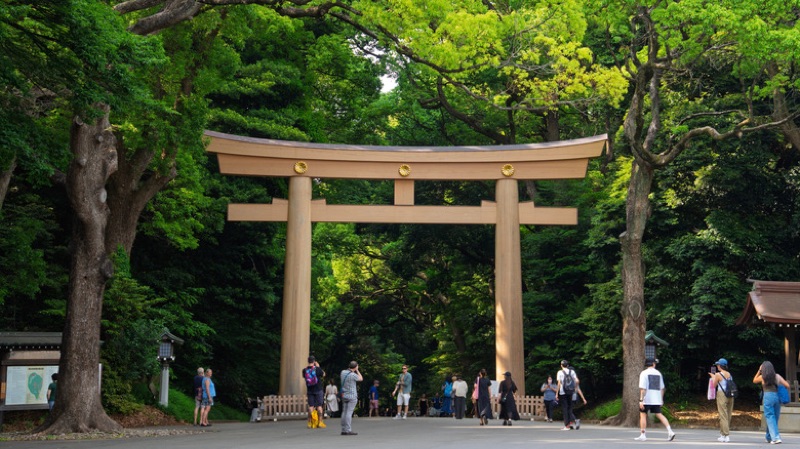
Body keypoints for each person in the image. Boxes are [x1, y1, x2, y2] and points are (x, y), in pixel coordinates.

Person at [634, 358, 675, 442]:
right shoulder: (658, 373)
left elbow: (643, 388)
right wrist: (661, 400)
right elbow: (662, 388)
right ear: (653, 364)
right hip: (656, 399)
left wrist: (641, 400)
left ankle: (643, 435)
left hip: (647, 399)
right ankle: (670, 431)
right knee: (659, 414)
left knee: (643, 415)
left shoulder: (644, 373)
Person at [753, 360, 790, 444]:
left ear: (763, 369)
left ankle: (775, 438)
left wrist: (759, 371)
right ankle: (769, 436)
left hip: (767, 397)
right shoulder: (777, 376)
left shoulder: (762, 377)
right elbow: (787, 385)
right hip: (777, 397)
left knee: (770, 417)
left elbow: (754, 380)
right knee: (774, 417)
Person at [710, 358, 734, 442]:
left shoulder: (717, 374)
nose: (717, 366)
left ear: (720, 366)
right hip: (730, 395)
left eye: (717, 365)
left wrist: (713, 376)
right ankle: (722, 434)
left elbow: (714, 385)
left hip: (722, 394)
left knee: (722, 415)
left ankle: (726, 435)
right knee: (728, 414)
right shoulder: (729, 374)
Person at [303, 356, 326, 429]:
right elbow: (324, 375)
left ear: (308, 361)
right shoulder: (317, 369)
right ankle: (320, 422)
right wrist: (318, 367)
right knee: (319, 406)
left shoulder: (304, 370)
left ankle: (310, 423)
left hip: (310, 390)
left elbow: (305, 378)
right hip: (318, 389)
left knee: (311, 406)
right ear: (314, 361)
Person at [340, 360, 363, 435]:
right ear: (355, 367)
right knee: (349, 413)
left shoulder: (343, 372)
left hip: (344, 395)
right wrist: (357, 370)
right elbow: (361, 378)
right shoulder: (353, 375)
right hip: (352, 396)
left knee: (344, 412)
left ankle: (343, 429)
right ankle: (348, 430)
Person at [556, 359, 580, 430]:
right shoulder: (572, 371)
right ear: (568, 365)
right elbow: (577, 380)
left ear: (561, 365)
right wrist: (575, 388)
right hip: (571, 391)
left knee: (565, 408)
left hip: (563, 392)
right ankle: (573, 421)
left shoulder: (560, 372)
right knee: (570, 408)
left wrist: (557, 393)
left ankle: (567, 426)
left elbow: (559, 383)